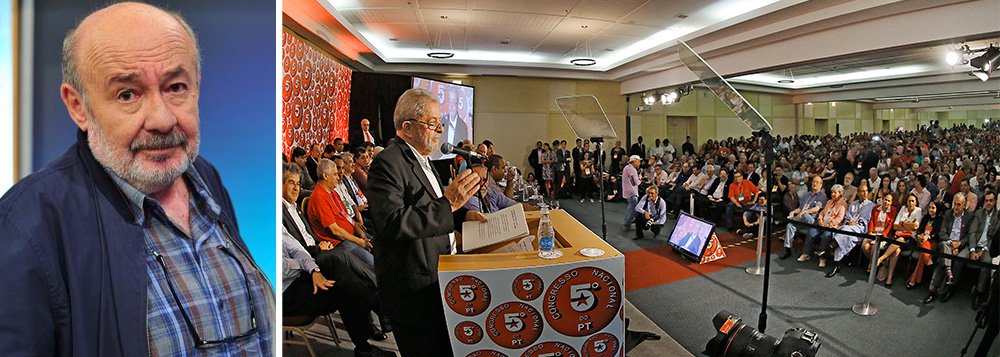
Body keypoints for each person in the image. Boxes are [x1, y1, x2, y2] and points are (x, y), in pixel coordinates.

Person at [0, 3, 274, 354]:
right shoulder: (26, 226)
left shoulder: (206, 178)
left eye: (176, 87)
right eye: (128, 94)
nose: (162, 120)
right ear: (78, 106)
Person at [367, 88, 485, 356]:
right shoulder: (387, 162)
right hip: (413, 287)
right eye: (433, 124)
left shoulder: (423, 159)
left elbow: (429, 206)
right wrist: (449, 204)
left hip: (436, 273)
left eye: (439, 123)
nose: (440, 131)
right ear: (407, 127)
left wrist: (463, 214)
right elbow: (393, 224)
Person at [281, 227, 395, 357]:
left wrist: (314, 270)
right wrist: (306, 266)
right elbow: (282, 269)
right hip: (283, 295)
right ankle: (375, 310)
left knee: (334, 264)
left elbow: (297, 250)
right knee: (344, 289)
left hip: (299, 276)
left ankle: (373, 313)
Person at [307, 158, 375, 267]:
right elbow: (335, 231)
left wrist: (357, 228)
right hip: (340, 243)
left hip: (352, 235)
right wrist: (359, 241)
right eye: (334, 174)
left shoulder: (333, 193)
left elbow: (345, 215)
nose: (338, 177)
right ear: (325, 176)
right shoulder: (318, 197)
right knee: (372, 262)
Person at [924, 193, 974, 304]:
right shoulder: (948, 214)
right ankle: (938, 286)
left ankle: (945, 288)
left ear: (964, 205)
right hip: (947, 243)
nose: (955, 207)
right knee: (943, 249)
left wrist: (959, 244)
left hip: (961, 245)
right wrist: (952, 244)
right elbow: (942, 233)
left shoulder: (969, 216)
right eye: (954, 204)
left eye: (959, 204)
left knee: (947, 260)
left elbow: (969, 235)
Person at [827, 185, 877, 277]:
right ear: (858, 193)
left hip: (861, 230)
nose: (865, 193)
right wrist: (850, 222)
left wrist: (857, 223)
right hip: (850, 230)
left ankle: (833, 244)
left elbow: (869, 220)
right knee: (845, 237)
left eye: (866, 191)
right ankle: (836, 266)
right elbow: (847, 216)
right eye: (862, 191)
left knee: (843, 231)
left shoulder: (872, 206)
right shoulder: (853, 204)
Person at [878, 193, 923, 286]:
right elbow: (895, 226)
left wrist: (902, 224)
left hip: (910, 239)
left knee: (901, 240)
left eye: (912, 201)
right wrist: (907, 225)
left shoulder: (918, 211)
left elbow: (915, 227)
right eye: (909, 201)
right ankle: (889, 278)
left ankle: (882, 258)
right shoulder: (903, 209)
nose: (910, 203)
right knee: (897, 251)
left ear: (916, 202)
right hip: (897, 237)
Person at [799, 184, 846, 267]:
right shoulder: (829, 202)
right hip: (822, 223)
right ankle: (806, 253)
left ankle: (823, 258)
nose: (832, 194)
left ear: (840, 193)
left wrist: (828, 224)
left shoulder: (843, 204)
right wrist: (820, 220)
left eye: (835, 193)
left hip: (831, 227)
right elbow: (822, 212)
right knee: (811, 231)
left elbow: (839, 218)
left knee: (826, 236)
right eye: (832, 192)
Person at [782, 176, 828, 259]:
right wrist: (793, 212)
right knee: (790, 226)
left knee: (804, 215)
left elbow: (816, 208)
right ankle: (787, 249)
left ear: (821, 185)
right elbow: (800, 208)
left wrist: (803, 212)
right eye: (814, 181)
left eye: (817, 182)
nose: (814, 183)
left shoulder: (822, 195)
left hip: (812, 220)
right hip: (802, 219)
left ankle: (794, 220)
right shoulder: (807, 194)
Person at [967, 191, 998, 309]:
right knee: (959, 256)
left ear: (995, 202)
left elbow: (994, 238)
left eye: (991, 201)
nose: (988, 203)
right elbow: (972, 232)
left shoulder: (997, 216)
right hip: (975, 245)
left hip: (988, 248)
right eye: (986, 200)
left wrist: (983, 250)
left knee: (986, 263)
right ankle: (951, 284)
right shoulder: (979, 213)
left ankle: (979, 292)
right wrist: (972, 249)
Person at [905, 200, 941, 288]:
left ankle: (913, 280)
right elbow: (920, 230)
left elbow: (937, 234)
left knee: (922, 255)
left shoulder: (940, 219)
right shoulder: (925, 218)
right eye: (929, 207)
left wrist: (928, 237)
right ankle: (929, 263)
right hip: (921, 241)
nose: (931, 210)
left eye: (933, 208)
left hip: (932, 242)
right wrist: (918, 236)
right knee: (923, 245)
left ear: (937, 209)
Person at [622, 155, 643, 231]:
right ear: (634, 161)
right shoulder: (633, 170)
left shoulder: (626, 168)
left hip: (627, 191)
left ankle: (626, 222)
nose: (639, 163)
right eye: (638, 161)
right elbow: (637, 182)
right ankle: (627, 225)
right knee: (632, 209)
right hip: (632, 192)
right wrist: (640, 178)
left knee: (629, 207)